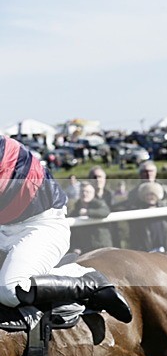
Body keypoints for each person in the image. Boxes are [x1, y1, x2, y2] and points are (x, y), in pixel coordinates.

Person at [0, 136, 131, 321]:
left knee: (10, 289)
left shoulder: (4, 149)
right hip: (5, 228)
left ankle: (89, 281)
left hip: (41, 226)